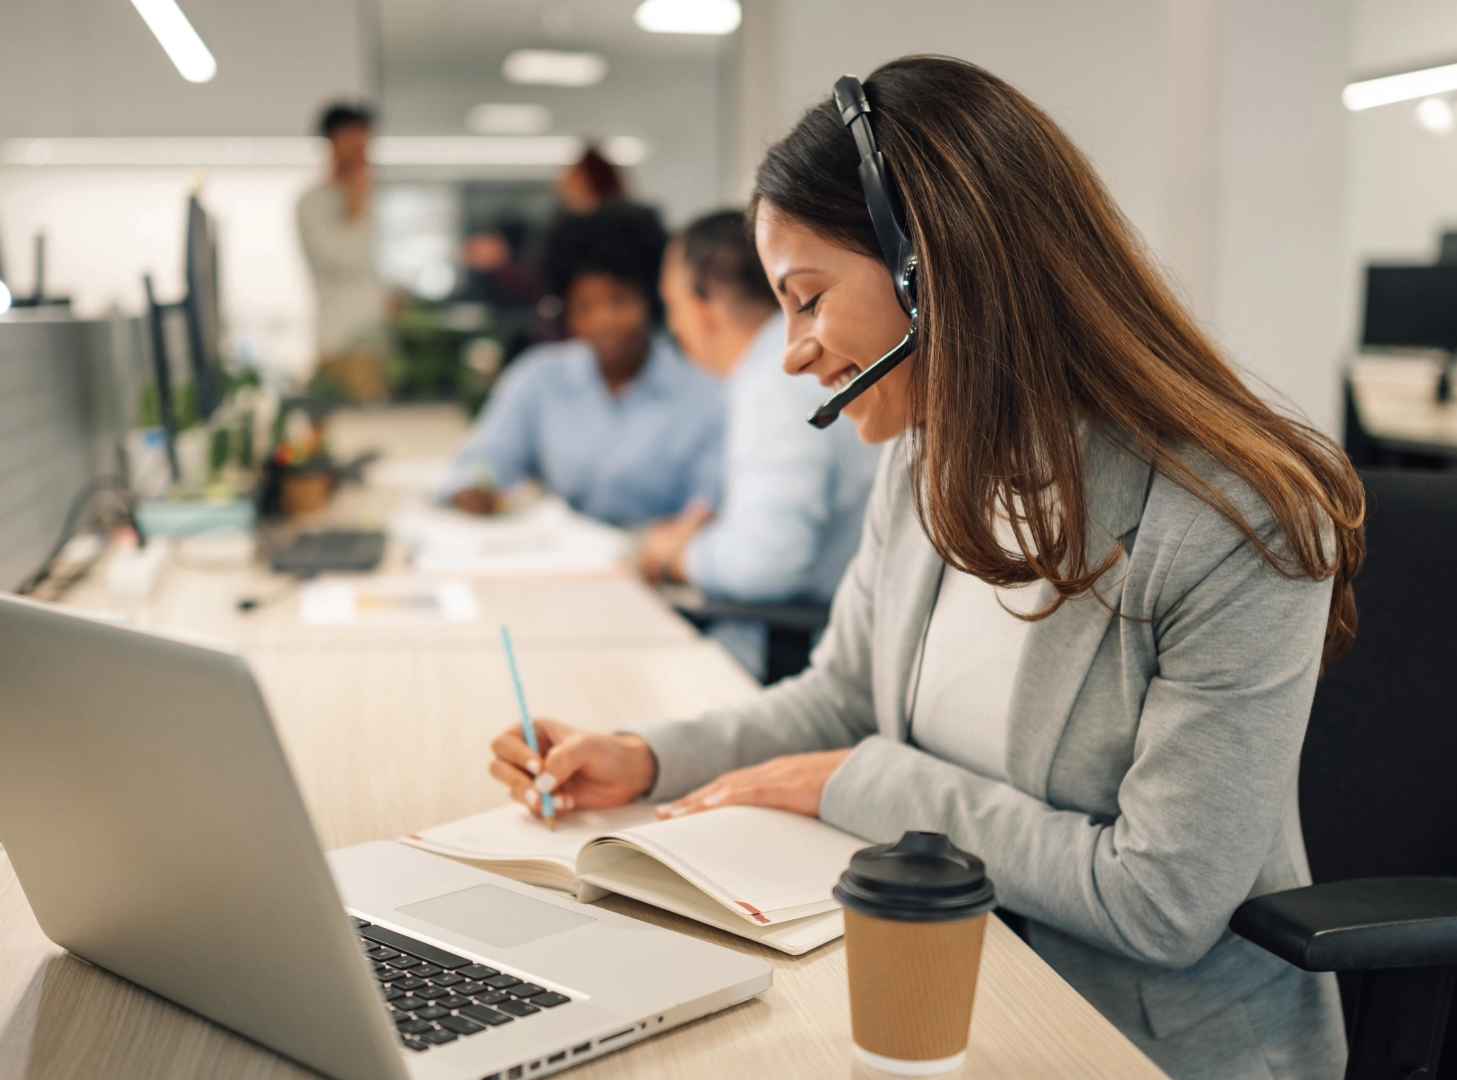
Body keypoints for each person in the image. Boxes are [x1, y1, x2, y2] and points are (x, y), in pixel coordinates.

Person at [486, 57, 1365, 1080]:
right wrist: (645, 757)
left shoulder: (1230, 522)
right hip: (934, 970)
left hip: (1129, 1037)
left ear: (933, 271)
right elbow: (841, 696)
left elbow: (1158, 900)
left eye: (807, 300)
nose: (791, 353)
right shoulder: (926, 457)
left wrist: (863, 783)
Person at [639, 209, 880, 679]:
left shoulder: (776, 382)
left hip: (788, 655)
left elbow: (766, 562)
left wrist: (676, 556)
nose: (675, 329)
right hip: (815, 634)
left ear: (703, 304)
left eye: (672, 307)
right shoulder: (798, 364)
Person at [440, 202, 724, 526]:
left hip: (660, 553)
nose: (603, 321)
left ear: (652, 299)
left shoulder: (701, 393)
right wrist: (471, 488)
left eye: (619, 300)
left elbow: (710, 503)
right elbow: (483, 459)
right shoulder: (539, 377)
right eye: (583, 306)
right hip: (559, 549)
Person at [296, 103, 388, 385]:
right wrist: (355, 208)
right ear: (333, 142)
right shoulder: (312, 203)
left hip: (378, 341)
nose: (362, 154)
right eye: (355, 142)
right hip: (340, 343)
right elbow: (346, 262)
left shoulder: (371, 198)